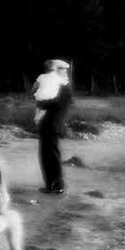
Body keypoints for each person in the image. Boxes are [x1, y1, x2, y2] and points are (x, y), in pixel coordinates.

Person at [36, 58, 72, 194]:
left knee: (51, 156)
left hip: (52, 126)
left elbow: (55, 103)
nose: (60, 73)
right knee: (46, 155)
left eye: (61, 71)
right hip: (48, 126)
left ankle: (57, 186)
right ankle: (51, 185)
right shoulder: (58, 86)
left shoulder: (64, 88)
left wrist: (41, 103)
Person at [31, 59, 69, 126]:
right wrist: (65, 75)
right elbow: (66, 84)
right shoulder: (58, 78)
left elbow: (34, 87)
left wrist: (32, 93)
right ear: (55, 69)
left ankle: (38, 121)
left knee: (40, 110)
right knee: (54, 111)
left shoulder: (41, 76)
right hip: (51, 101)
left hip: (39, 100)